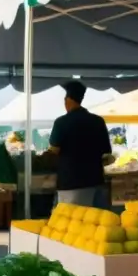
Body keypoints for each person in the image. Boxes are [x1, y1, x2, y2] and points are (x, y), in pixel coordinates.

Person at [49, 80, 113, 208]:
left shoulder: (61, 122)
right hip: (96, 182)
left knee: (73, 223)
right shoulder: (98, 121)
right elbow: (107, 153)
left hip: (71, 183)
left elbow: (54, 151)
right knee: (95, 223)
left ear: (67, 100)